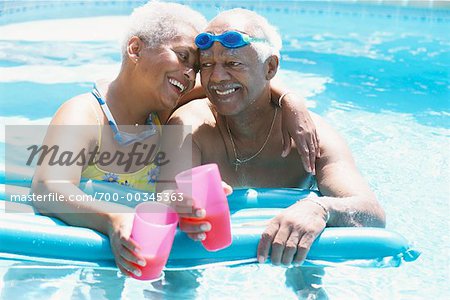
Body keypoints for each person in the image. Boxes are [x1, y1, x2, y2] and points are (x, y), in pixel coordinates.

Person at [30, 1, 320, 278]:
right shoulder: (85, 114)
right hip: (83, 255)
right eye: (182, 57)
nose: (189, 74)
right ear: (135, 49)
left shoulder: (162, 110)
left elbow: (243, 81)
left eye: (194, 67)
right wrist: (112, 219)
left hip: (147, 252)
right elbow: (47, 187)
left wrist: (290, 101)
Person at [165, 7, 386, 268]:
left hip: (297, 259)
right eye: (208, 65)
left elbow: (372, 214)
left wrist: (320, 209)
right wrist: (183, 202)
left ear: (270, 67)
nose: (217, 78)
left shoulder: (310, 136)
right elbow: (168, 198)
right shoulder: (189, 125)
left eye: (234, 63)